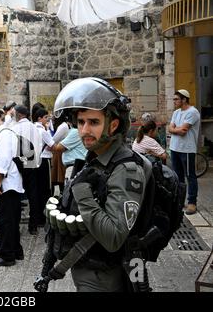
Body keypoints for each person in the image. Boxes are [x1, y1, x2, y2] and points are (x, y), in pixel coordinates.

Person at [44, 77, 148, 292]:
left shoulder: (126, 169)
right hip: (86, 267)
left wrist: (81, 190)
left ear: (113, 124)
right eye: (81, 122)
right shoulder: (96, 160)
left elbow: (113, 238)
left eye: (93, 122)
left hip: (104, 276)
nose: (84, 130)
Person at [0, 109, 25, 266]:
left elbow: (5, 158)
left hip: (7, 184)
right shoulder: (1, 134)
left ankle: (7, 255)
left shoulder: (4, 134)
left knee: (5, 221)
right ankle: (15, 251)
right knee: (11, 219)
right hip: (9, 183)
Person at [168, 89, 200, 215]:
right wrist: (175, 129)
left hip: (186, 149)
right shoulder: (176, 112)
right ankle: (180, 202)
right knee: (178, 177)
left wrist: (174, 129)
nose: (174, 101)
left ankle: (192, 203)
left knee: (190, 176)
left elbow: (184, 130)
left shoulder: (193, 112)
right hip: (174, 148)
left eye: (176, 99)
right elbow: (171, 128)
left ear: (184, 99)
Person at [12, 104, 43, 235]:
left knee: (17, 193)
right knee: (33, 194)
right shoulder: (33, 127)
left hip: (18, 163)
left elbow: (13, 148)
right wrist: (36, 162)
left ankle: (16, 224)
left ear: (19, 114)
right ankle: (33, 226)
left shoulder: (14, 128)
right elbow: (38, 144)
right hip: (32, 163)